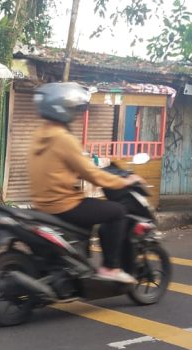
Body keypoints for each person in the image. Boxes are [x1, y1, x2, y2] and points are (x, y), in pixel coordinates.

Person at [28, 82, 145, 284]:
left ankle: (77, 259)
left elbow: (63, 167)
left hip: (42, 204)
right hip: (64, 204)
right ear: (62, 108)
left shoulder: (39, 135)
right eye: (73, 108)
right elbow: (92, 174)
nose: (75, 113)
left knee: (95, 213)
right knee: (117, 211)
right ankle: (110, 267)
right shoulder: (63, 138)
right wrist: (123, 182)